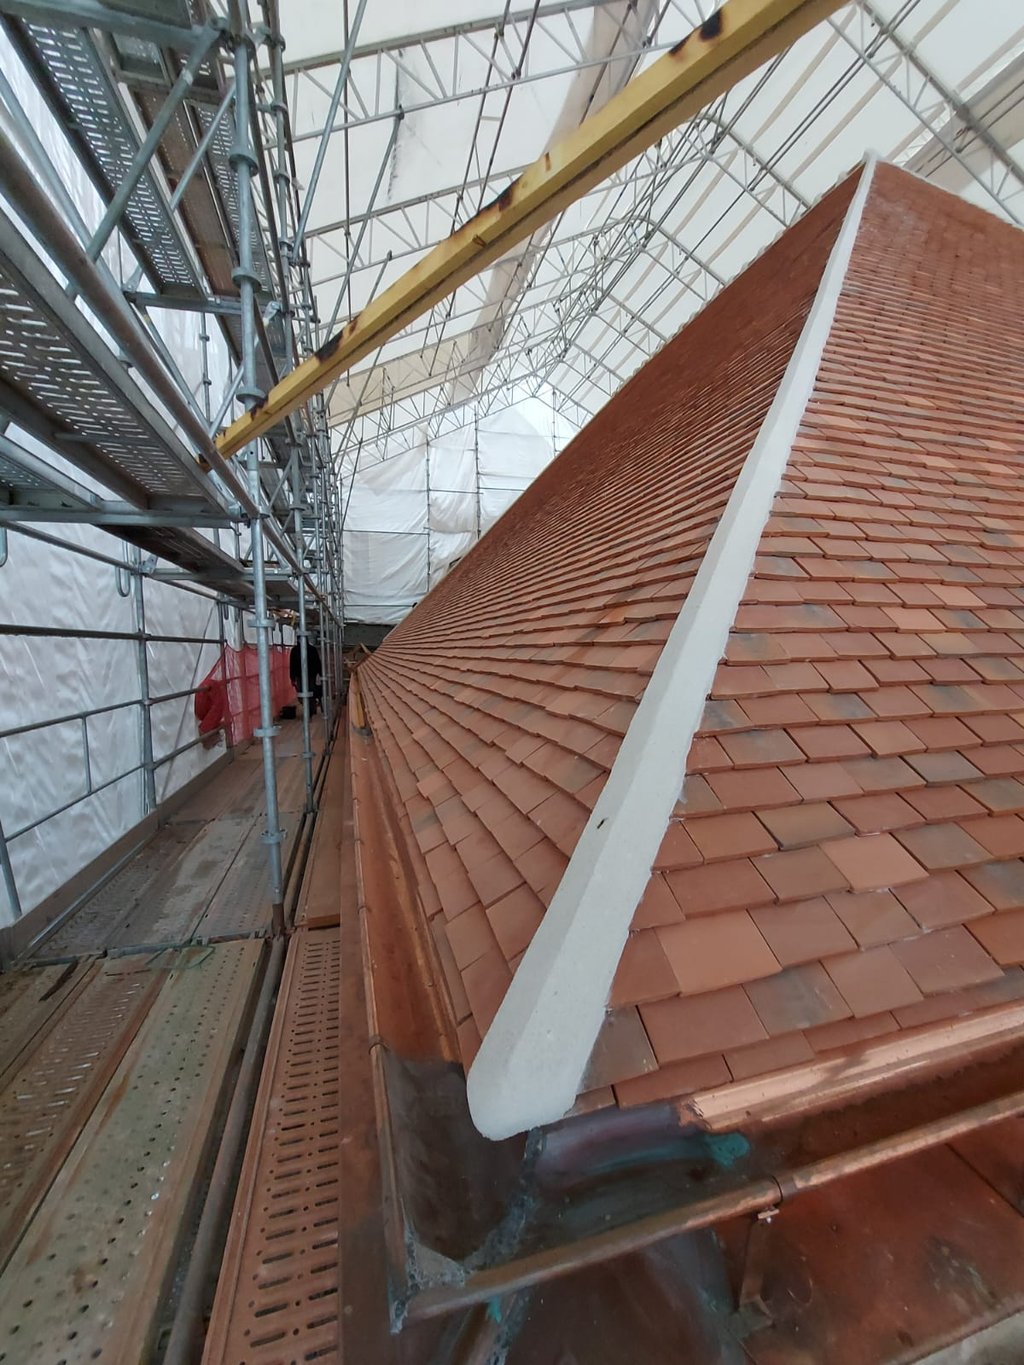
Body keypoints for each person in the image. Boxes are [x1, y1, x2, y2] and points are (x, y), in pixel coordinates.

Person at [289, 636, 323, 714]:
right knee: (304, 693)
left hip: (309, 675)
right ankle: (310, 708)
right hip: (303, 675)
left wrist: (292, 677)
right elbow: (292, 665)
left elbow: (317, 662)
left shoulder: (309, 649)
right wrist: (292, 677)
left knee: (308, 692)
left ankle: (310, 710)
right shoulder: (296, 650)